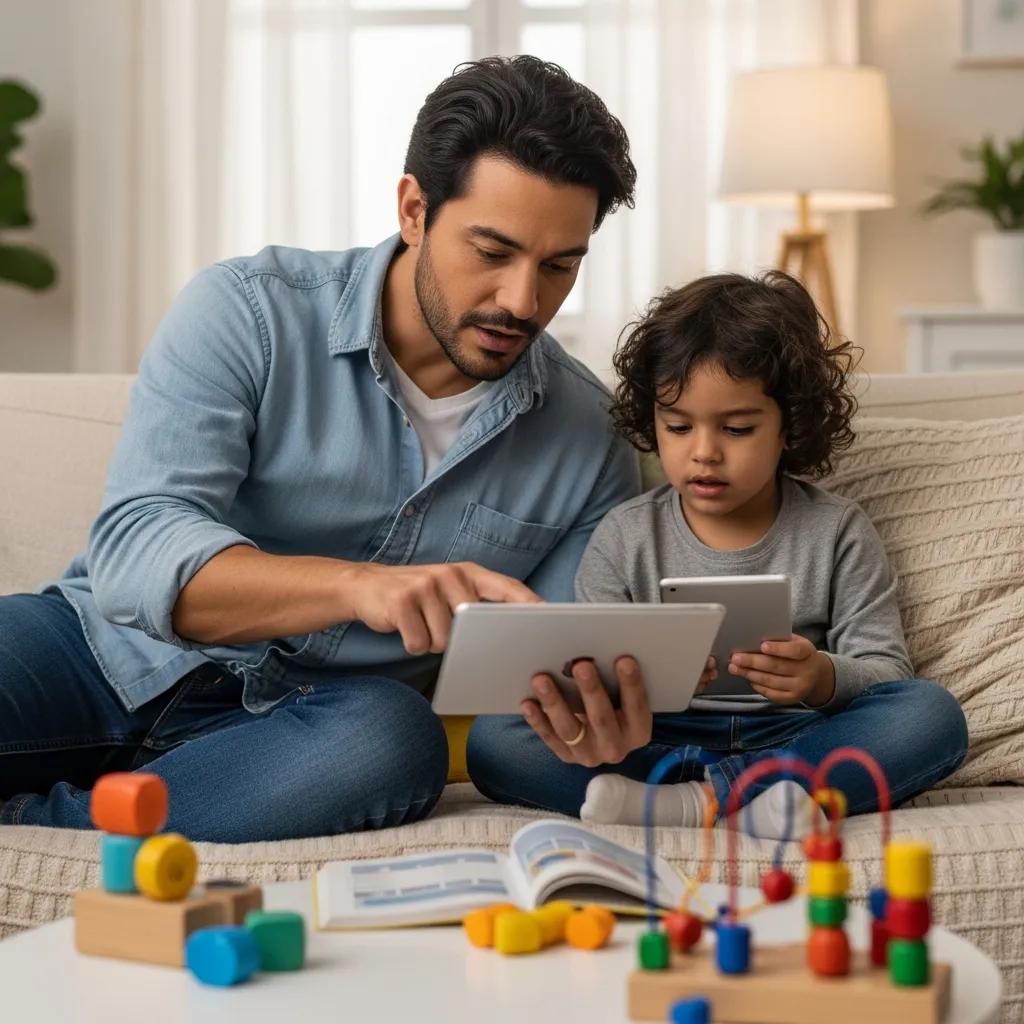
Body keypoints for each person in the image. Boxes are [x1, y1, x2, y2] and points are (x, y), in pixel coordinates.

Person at [0, 56, 642, 842]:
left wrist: (587, 722)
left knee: (392, 741)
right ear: (414, 210)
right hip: (100, 656)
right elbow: (135, 554)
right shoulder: (249, 313)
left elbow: (534, 686)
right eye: (492, 251)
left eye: (559, 266)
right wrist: (357, 587)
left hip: (310, 730)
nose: (522, 299)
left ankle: (38, 826)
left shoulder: (589, 439)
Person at [467, 271, 969, 836]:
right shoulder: (626, 535)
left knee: (932, 714)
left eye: (736, 428)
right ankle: (741, 800)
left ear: (790, 426)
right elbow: (592, 684)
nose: (703, 452)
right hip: (654, 743)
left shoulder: (837, 530)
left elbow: (887, 670)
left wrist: (819, 676)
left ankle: (694, 802)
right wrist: (646, 685)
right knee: (497, 738)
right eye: (678, 426)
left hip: (794, 739)